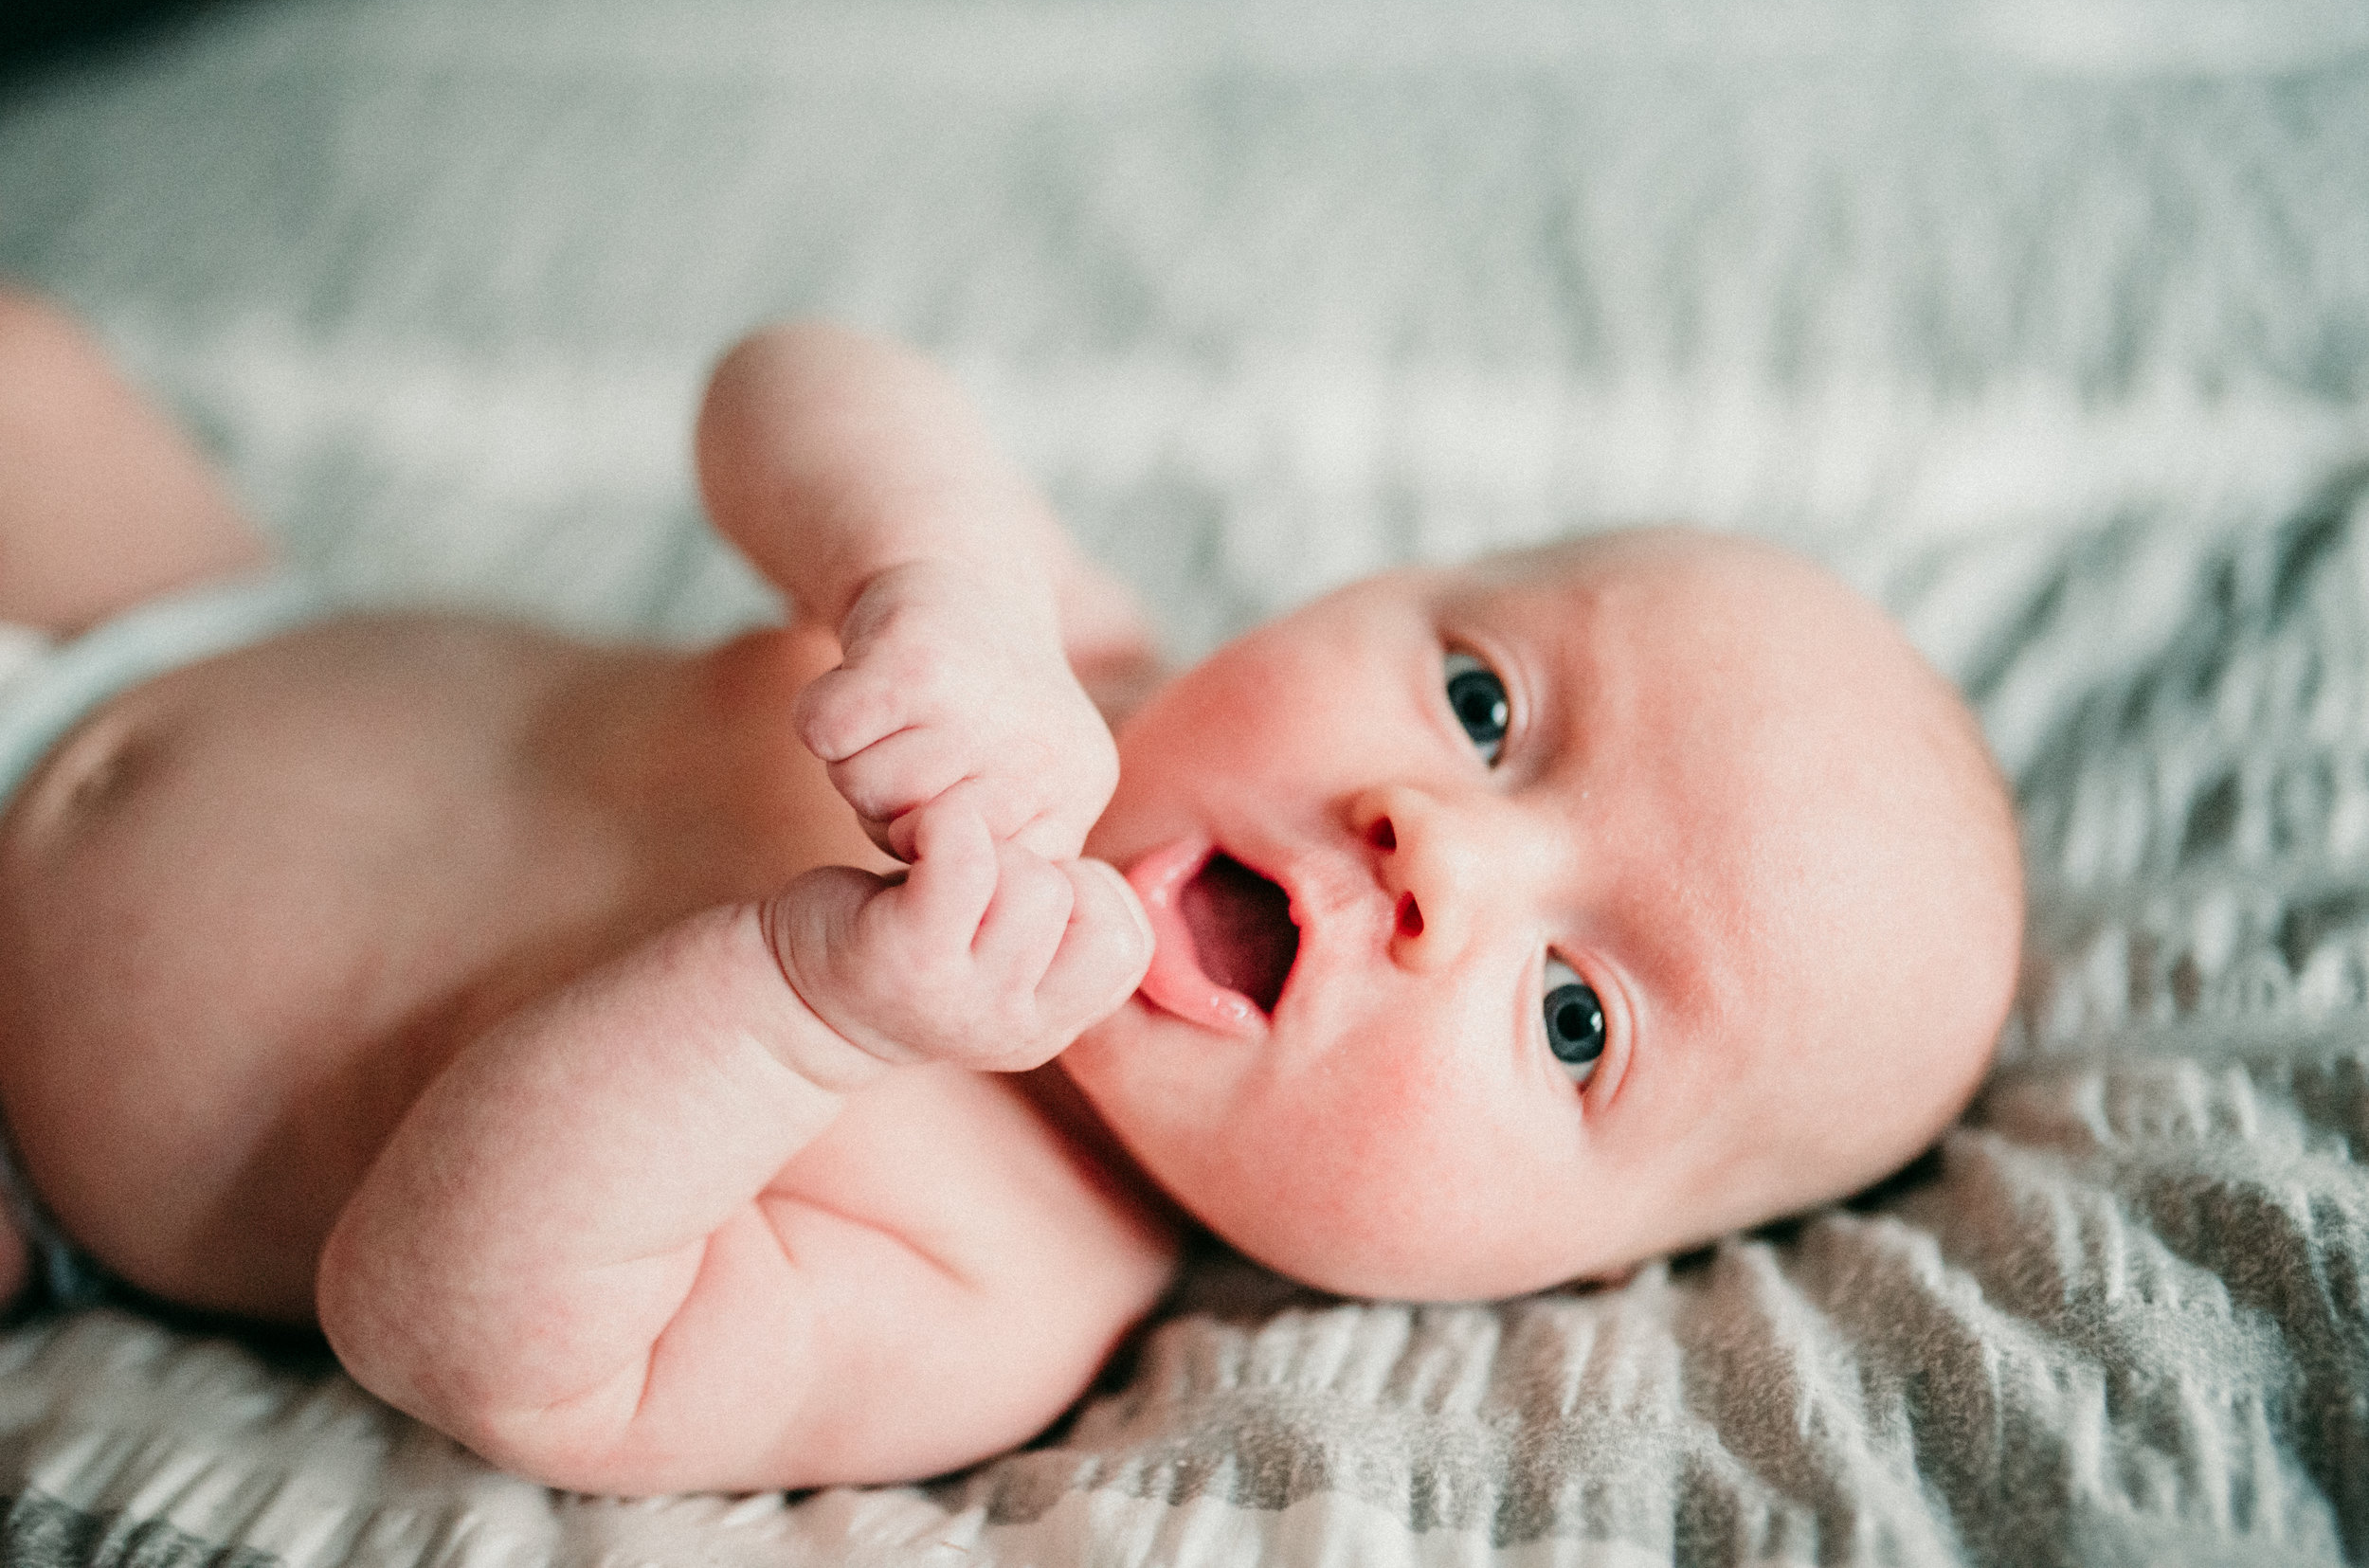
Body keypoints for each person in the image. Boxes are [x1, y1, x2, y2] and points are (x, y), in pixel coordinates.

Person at [0, 289, 2023, 1494]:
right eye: (1483, 700)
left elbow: (447, 1324)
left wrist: (808, 1009)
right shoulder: (1065, 664)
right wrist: (929, 566)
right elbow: (777, 380)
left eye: (1575, 1017)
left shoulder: (995, 1286)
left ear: (1543, 1274)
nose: (1439, 845)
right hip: (202, 618)